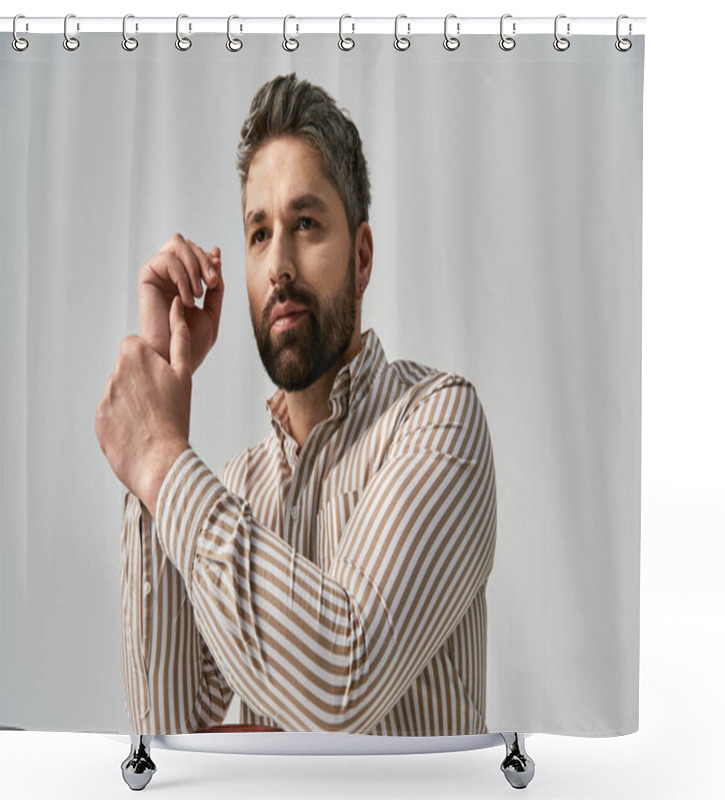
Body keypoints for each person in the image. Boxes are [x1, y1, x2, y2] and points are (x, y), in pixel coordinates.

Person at [95, 73, 497, 736]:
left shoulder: (439, 422)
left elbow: (344, 681)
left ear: (361, 257)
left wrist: (160, 459)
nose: (278, 264)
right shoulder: (234, 490)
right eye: (258, 234)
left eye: (305, 224)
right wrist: (164, 404)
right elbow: (166, 731)